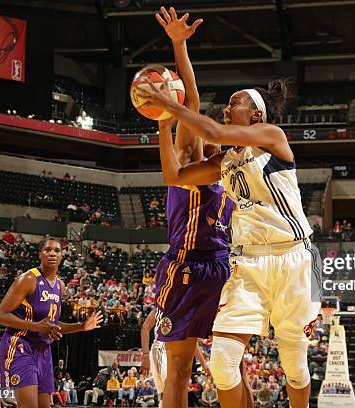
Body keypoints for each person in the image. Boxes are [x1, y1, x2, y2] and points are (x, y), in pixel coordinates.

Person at [136, 38, 322, 408]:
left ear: (256, 116)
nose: (226, 107)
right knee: (221, 362)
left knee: (295, 365)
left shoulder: (272, 138)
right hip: (247, 262)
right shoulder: (223, 162)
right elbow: (175, 176)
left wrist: (170, 104)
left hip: (296, 259)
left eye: (235, 101)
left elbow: (211, 131)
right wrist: (162, 120)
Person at [139, 7, 232, 408]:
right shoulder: (190, 159)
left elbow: (191, 107)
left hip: (221, 267)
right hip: (188, 265)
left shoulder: (230, 169)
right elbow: (189, 99)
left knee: (227, 366)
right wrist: (179, 46)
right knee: (178, 371)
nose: (202, 126)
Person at [0, 238, 103, 408]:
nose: (52, 253)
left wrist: (82, 326)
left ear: (62, 256)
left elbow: (53, 323)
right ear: (40, 255)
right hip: (20, 345)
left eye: (57, 250)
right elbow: (0, 315)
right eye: (47, 250)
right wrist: (37, 327)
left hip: (43, 351)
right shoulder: (28, 278)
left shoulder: (60, 286)